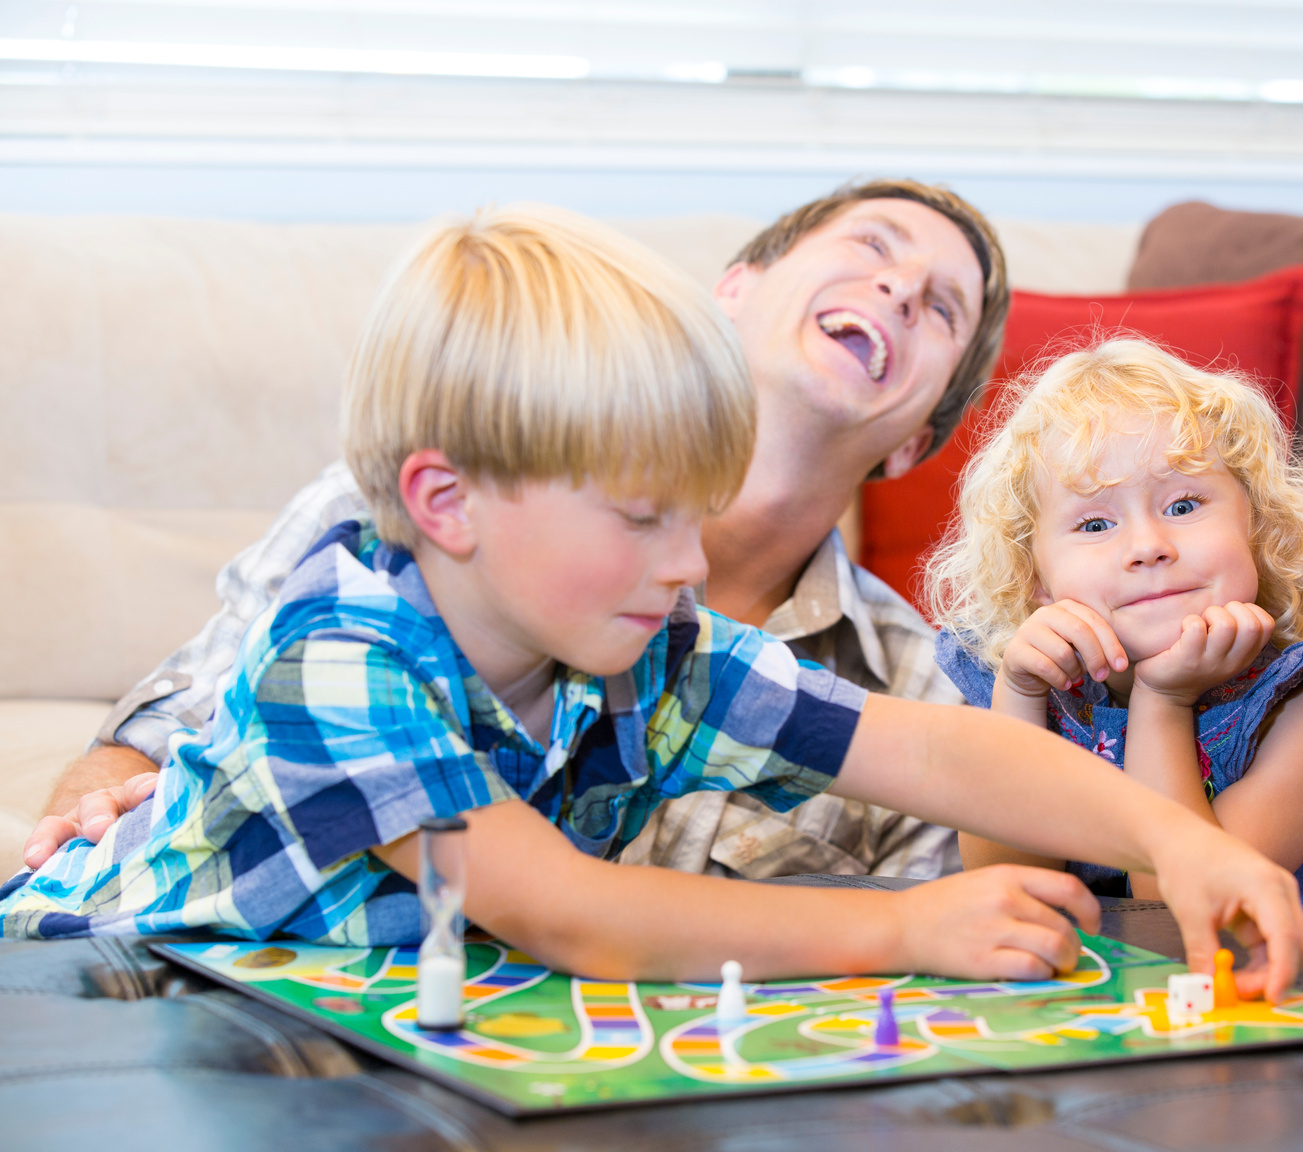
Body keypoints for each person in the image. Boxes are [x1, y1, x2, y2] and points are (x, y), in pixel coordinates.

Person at [1, 206, 1303, 992]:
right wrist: (904, 929)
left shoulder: (648, 647)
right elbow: (566, 910)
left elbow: (921, 743)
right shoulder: (339, 661)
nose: (687, 562)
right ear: (448, 503)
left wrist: (1186, 842)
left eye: (693, 514)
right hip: (102, 991)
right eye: (640, 519)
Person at [24, 178, 1015, 882]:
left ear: (914, 443)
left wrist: (1163, 829)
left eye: (941, 309)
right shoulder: (390, 536)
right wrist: (100, 812)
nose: (899, 288)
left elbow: (954, 945)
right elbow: (172, 734)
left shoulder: (916, 680)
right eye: (873, 244)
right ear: (735, 289)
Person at [924, 339, 1303, 920]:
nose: (1148, 547)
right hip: (1083, 999)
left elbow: (1175, 912)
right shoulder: (1033, 691)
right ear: (1035, 578)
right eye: (1094, 523)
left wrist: (1163, 698)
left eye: (1184, 506)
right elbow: (1009, 889)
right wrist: (1019, 697)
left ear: (1257, 529)